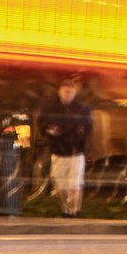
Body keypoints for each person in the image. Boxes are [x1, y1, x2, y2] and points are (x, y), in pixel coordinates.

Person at [41, 77, 97, 215]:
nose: (68, 95)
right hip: (58, 151)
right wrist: (51, 132)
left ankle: (74, 210)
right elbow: (42, 125)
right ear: (60, 91)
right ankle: (66, 209)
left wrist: (78, 134)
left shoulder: (81, 109)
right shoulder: (51, 108)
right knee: (61, 183)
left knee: (75, 183)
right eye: (66, 92)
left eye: (71, 92)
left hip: (75, 151)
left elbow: (88, 127)